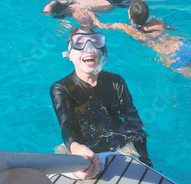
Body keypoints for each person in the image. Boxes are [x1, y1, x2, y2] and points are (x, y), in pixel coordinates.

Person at [50, 28, 152, 180]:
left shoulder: (116, 82)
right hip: (79, 147)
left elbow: (133, 122)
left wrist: (145, 159)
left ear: (101, 52)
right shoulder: (61, 88)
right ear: (69, 54)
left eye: (94, 42)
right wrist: (75, 147)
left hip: (118, 147)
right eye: (79, 43)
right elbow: (68, 124)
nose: (88, 48)